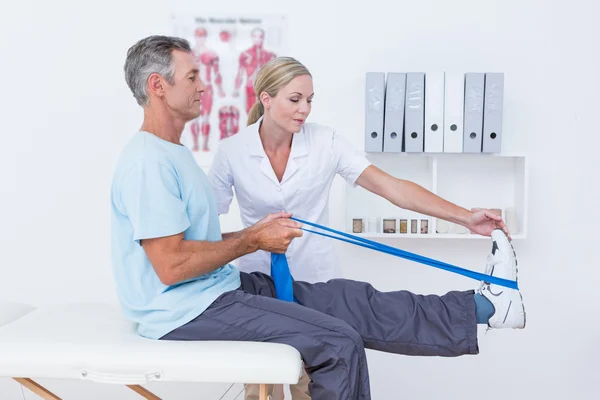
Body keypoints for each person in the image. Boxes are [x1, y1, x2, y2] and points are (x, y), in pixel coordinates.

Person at [112, 35, 526, 400]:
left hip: (222, 287)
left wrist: (464, 217)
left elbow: (391, 187)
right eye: (192, 77)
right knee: (338, 342)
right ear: (158, 86)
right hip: (188, 308)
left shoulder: (176, 154)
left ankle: (484, 308)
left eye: (310, 100)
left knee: (355, 303)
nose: (204, 85)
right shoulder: (155, 161)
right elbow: (170, 264)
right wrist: (254, 239)